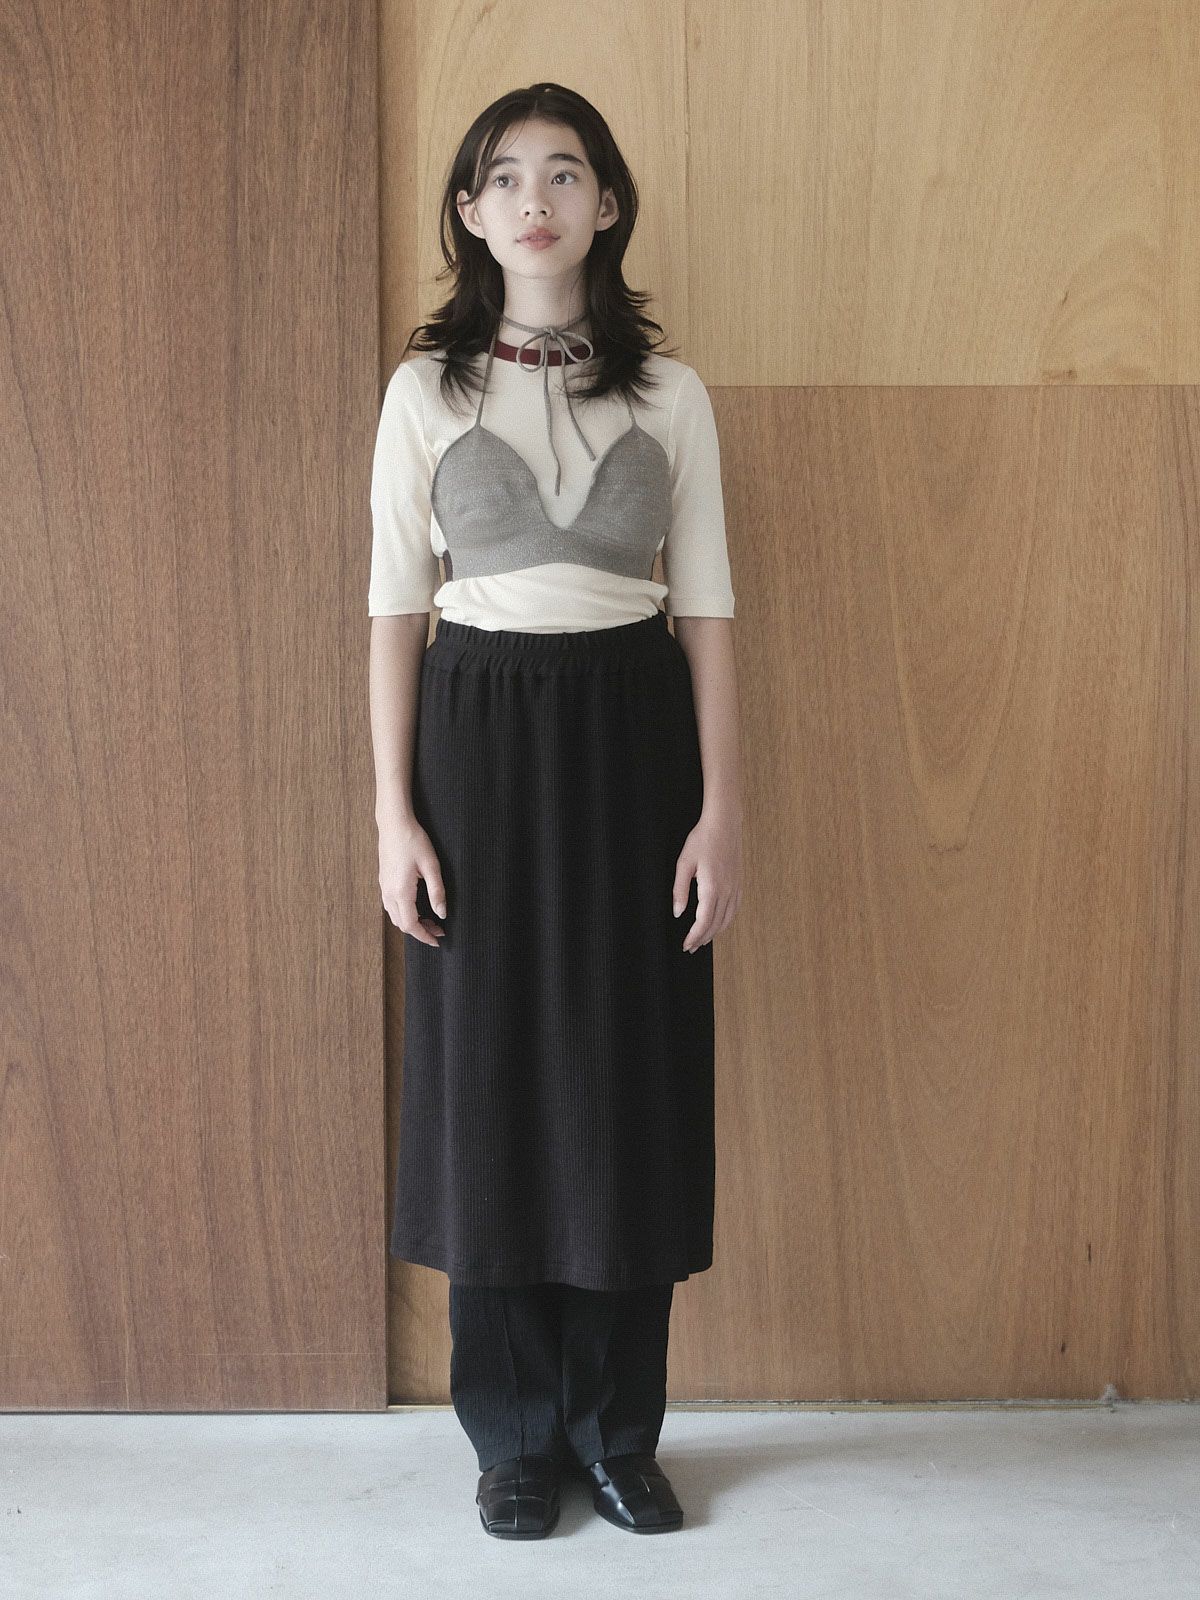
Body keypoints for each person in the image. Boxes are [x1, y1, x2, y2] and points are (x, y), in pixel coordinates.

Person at [368, 83, 743, 1539]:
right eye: (506, 176)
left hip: (635, 740)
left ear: (608, 203)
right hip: (474, 741)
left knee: (625, 1078)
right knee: (490, 1086)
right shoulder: (425, 393)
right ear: (470, 212)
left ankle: (618, 1433)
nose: (537, 198)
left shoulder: (671, 394)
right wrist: (393, 815)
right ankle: (513, 1439)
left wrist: (721, 811)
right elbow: (394, 613)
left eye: (566, 173)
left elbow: (706, 611)